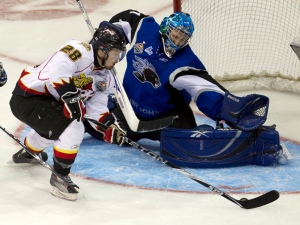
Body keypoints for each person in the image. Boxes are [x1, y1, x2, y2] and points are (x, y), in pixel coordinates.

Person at [88, 10, 269, 143]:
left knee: (192, 144)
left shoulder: (185, 61)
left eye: (182, 39)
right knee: (96, 123)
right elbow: (126, 19)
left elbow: (205, 90)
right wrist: (106, 34)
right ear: (166, 28)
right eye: (175, 36)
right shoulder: (144, 29)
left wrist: (234, 113)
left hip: (165, 120)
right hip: (130, 112)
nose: (177, 42)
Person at [9, 23, 127, 201]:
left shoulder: (106, 78)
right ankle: (59, 177)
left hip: (46, 103)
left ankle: (28, 152)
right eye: (115, 54)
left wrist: (109, 125)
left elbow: (97, 108)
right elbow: (59, 69)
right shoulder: (80, 50)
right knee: (74, 126)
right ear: (102, 50)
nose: (117, 59)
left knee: (55, 129)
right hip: (27, 97)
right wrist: (71, 96)